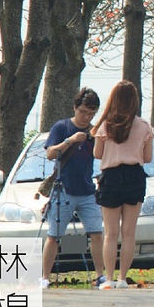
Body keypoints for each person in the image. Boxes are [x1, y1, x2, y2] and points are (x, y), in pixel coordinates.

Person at [41, 88, 105, 289]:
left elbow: (102, 156)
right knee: (54, 235)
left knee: (96, 233)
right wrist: (70, 141)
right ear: (75, 108)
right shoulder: (61, 127)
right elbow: (50, 153)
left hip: (87, 191)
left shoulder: (94, 132)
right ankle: (44, 277)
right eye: (83, 112)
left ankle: (101, 275)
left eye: (91, 114)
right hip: (63, 189)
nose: (86, 117)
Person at [91, 80, 153, 290]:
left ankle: (108, 278)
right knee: (129, 233)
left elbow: (97, 154)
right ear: (134, 101)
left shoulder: (104, 125)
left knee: (110, 233)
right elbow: (148, 157)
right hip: (134, 176)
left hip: (111, 176)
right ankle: (123, 279)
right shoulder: (144, 126)